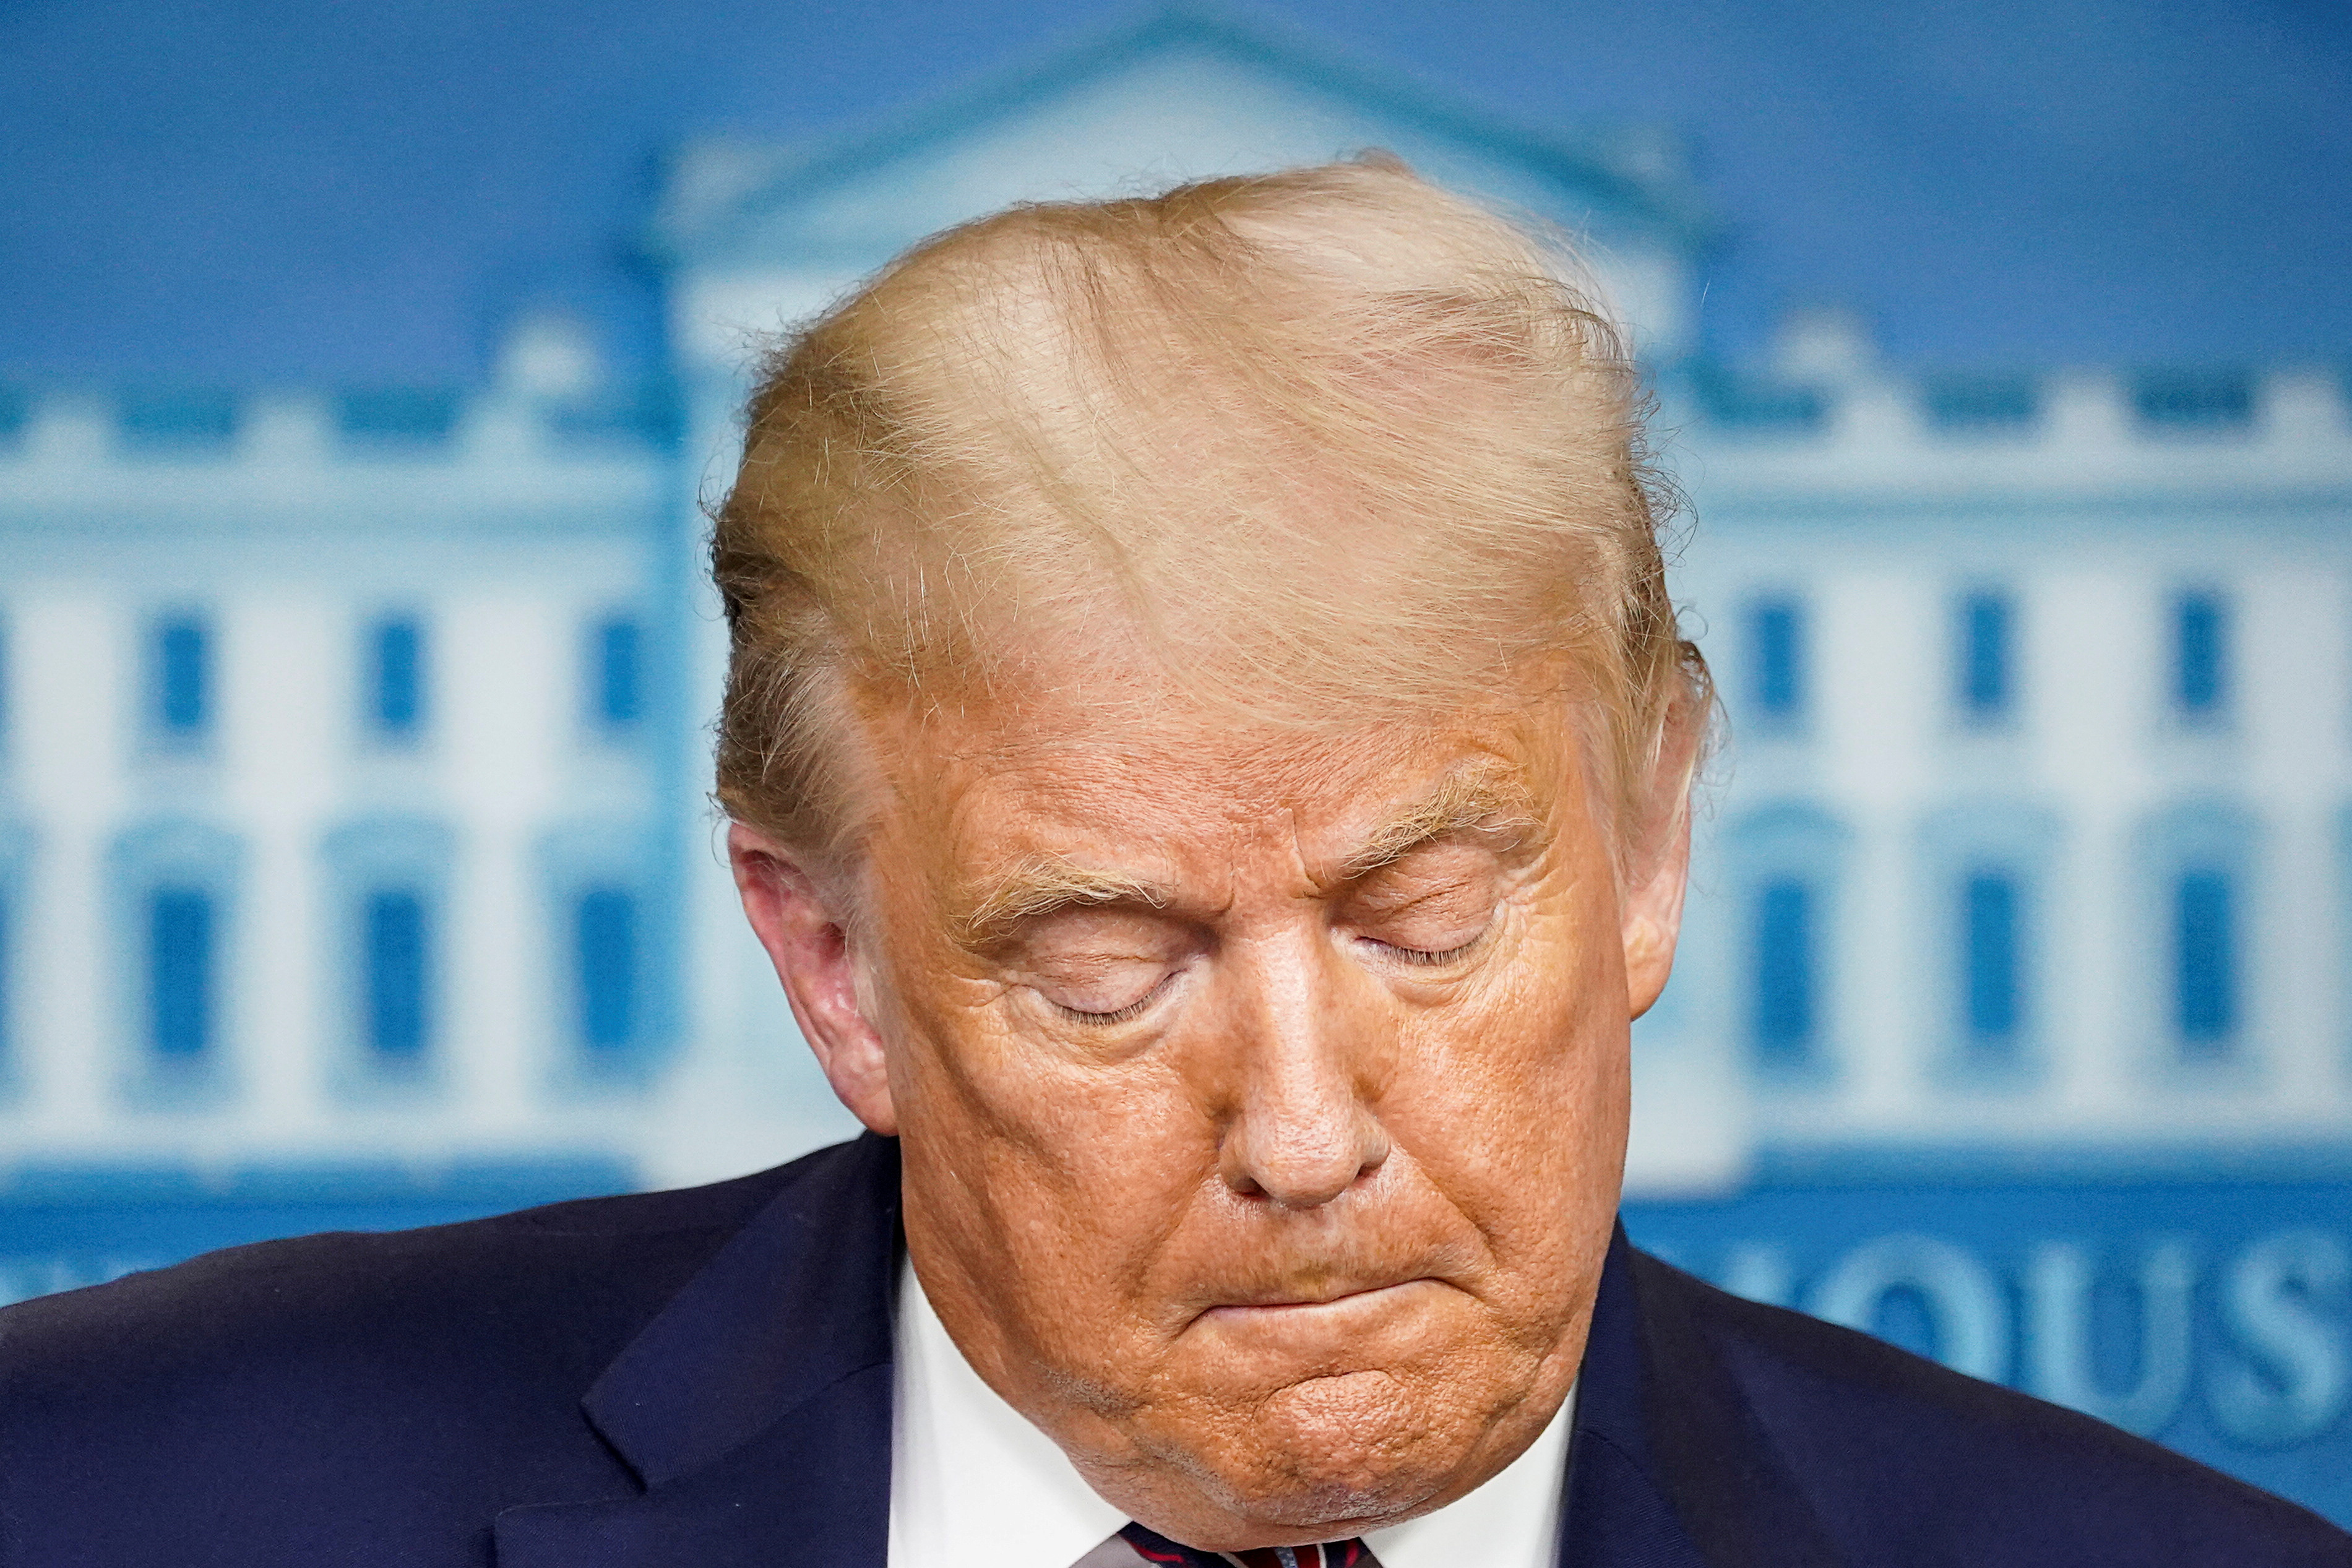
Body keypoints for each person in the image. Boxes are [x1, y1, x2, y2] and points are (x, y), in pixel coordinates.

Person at [1, 158, 2343, 1568]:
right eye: (1111, 966)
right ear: (833, 967)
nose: (1305, 1135)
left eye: (1426, 924)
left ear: (1647, 843)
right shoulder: (98, 1497)